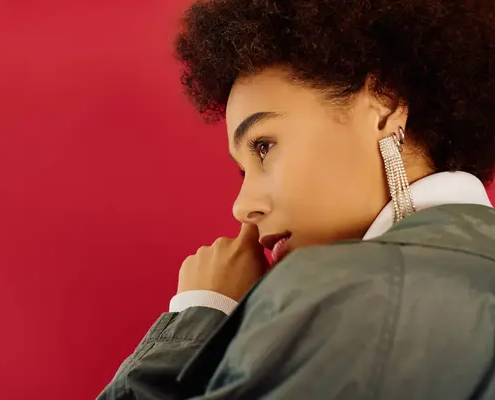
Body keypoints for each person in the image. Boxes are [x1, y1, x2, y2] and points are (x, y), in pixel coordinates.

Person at [99, 0, 495, 398]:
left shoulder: (338, 298)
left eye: (264, 146)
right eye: (243, 170)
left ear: (384, 106)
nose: (242, 207)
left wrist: (197, 315)